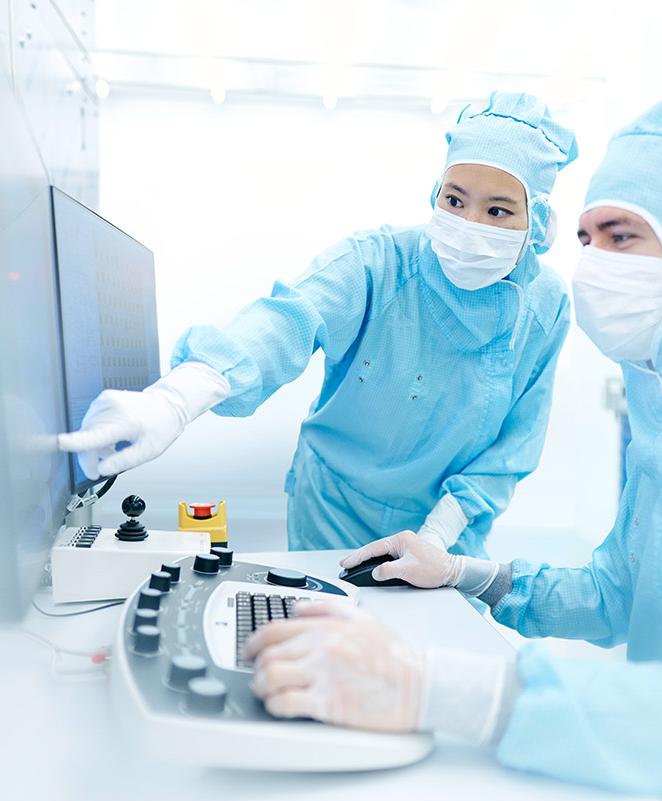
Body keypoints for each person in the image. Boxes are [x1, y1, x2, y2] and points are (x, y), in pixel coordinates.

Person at [243, 93, 662, 801]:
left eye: (622, 234)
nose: (593, 262)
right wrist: (467, 573)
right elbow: (615, 593)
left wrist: (442, 688)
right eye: (585, 236)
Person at [58, 92, 577, 556]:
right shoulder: (377, 263)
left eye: (500, 211)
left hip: (447, 522)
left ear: (540, 222)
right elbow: (285, 322)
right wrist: (175, 398)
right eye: (455, 199)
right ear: (435, 192)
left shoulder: (546, 305)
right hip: (332, 506)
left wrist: (437, 537)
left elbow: (514, 442)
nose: (469, 226)